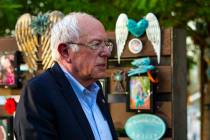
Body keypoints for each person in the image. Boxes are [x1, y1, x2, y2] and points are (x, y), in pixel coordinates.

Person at [14, 12, 118, 140]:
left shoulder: (95, 88)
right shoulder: (39, 92)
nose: (107, 52)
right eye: (96, 44)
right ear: (65, 52)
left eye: (106, 44)